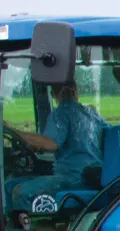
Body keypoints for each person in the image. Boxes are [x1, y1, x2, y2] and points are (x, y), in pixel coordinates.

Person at [6, 82, 108, 213]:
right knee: (9, 186)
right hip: (94, 176)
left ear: (53, 94)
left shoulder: (61, 112)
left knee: (21, 192)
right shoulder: (91, 113)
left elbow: (50, 144)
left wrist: (12, 130)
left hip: (74, 177)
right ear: (76, 90)